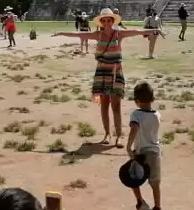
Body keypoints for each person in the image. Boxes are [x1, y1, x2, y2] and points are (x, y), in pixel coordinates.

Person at [53, 8, 159, 147]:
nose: (107, 22)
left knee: (116, 105)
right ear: (101, 22)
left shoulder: (118, 34)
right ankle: (107, 134)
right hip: (102, 72)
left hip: (116, 72)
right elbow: (79, 34)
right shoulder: (98, 35)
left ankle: (119, 135)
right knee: (104, 105)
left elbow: (137, 32)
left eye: (109, 20)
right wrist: (61, 33)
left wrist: (153, 31)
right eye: (104, 20)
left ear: (113, 21)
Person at [126, 81, 163, 210]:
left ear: (136, 101)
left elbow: (134, 128)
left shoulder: (136, 114)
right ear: (153, 99)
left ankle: (140, 202)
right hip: (154, 152)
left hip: (141, 152)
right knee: (155, 182)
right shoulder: (157, 115)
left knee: (132, 177)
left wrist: (129, 146)